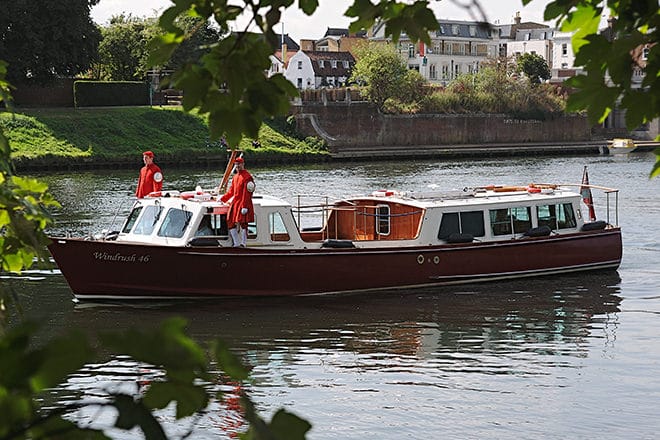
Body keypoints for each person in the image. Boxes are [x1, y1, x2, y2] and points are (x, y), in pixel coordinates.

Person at [220, 157, 255, 247]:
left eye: (239, 164)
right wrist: (223, 199)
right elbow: (231, 191)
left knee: (243, 223)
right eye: (236, 164)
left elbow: (247, 193)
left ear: (243, 164)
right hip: (235, 202)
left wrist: (245, 206)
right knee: (229, 220)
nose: (237, 166)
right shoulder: (235, 177)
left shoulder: (248, 177)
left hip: (243, 202)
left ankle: (243, 243)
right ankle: (236, 242)